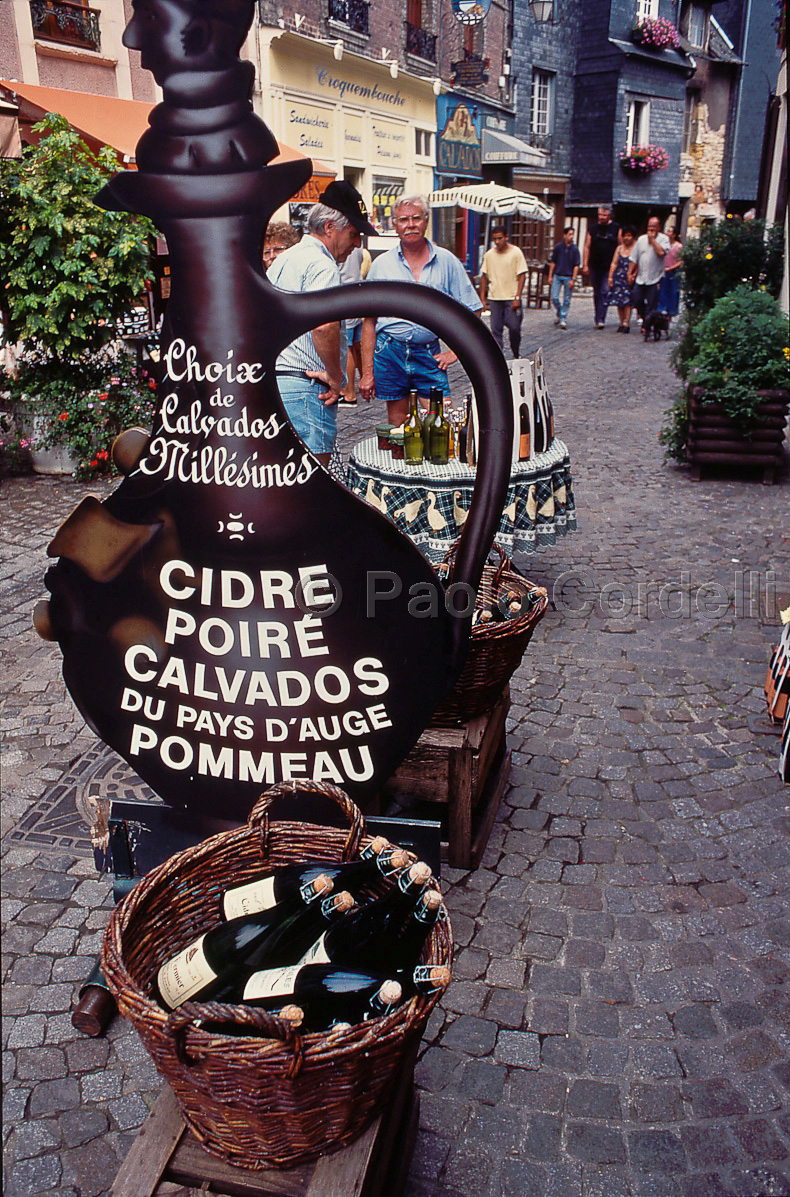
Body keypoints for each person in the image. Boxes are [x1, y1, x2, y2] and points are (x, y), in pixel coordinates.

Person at [267, 180, 376, 465]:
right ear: (329, 227)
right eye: (353, 234)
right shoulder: (322, 264)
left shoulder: (285, 259)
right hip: (306, 390)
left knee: (285, 480)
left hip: (277, 384)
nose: (356, 244)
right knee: (315, 482)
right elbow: (325, 326)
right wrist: (336, 376)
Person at [362, 194, 482, 426]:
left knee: (443, 421)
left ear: (426, 220)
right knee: (397, 422)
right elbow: (369, 321)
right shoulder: (382, 265)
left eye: (416, 218)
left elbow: (473, 311)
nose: (410, 225)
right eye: (403, 220)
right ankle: (400, 463)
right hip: (390, 351)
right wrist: (367, 373)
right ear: (395, 225)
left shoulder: (447, 261)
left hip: (429, 354)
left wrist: (455, 353)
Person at [479, 226, 527, 359]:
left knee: (514, 327)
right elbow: (484, 276)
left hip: (511, 297)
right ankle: (499, 357)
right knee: (496, 330)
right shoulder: (489, 255)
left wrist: (518, 296)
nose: (497, 241)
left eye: (500, 238)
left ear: (506, 237)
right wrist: (482, 298)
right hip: (495, 297)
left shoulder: (515, 253)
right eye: (495, 239)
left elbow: (522, 275)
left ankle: (515, 352)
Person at [338, 244, 372, 406]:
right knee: (357, 345)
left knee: (347, 347)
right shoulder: (358, 247)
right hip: (357, 295)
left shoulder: (339, 245)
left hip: (345, 296)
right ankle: (367, 382)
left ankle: (349, 393)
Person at [583, 206, 620, 329]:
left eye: (604, 215)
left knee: (605, 291)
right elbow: (587, 246)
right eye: (600, 215)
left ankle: (601, 319)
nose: (601, 217)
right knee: (597, 293)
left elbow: (620, 246)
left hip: (609, 266)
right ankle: (597, 316)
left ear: (609, 216)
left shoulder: (615, 228)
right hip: (595, 265)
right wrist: (585, 264)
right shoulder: (592, 229)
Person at [627, 216, 669, 325]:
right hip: (641, 277)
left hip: (655, 277)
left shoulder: (664, 239)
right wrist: (630, 273)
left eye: (654, 226)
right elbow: (634, 258)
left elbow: (661, 253)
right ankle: (647, 318)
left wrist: (653, 240)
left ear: (659, 227)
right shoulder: (641, 239)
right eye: (649, 226)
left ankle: (647, 326)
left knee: (652, 303)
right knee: (636, 299)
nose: (651, 229)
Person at [548, 227, 580, 330]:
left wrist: (573, 279)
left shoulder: (575, 249)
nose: (571, 237)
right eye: (570, 234)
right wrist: (550, 275)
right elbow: (553, 262)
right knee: (554, 297)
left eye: (572, 234)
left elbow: (576, 265)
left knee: (567, 299)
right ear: (565, 235)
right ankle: (560, 312)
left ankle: (563, 318)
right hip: (558, 275)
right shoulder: (558, 247)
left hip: (568, 276)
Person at [608, 225, 637, 332]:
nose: (626, 238)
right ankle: (621, 322)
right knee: (619, 301)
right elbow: (614, 263)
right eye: (625, 236)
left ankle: (627, 323)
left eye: (629, 236)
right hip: (619, 277)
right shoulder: (619, 248)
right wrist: (610, 277)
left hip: (629, 278)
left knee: (628, 302)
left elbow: (638, 263)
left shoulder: (636, 248)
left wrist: (633, 275)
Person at [657, 225, 682, 320]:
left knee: (673, 292)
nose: (667, 233)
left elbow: (680, 261)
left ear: (674, 234)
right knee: (662, 291)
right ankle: (661, 310)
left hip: (673, 272)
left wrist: (670, 268)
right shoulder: (663, 245)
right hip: (663, 270)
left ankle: (670, 313)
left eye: (669, 231)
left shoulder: (678, 246)